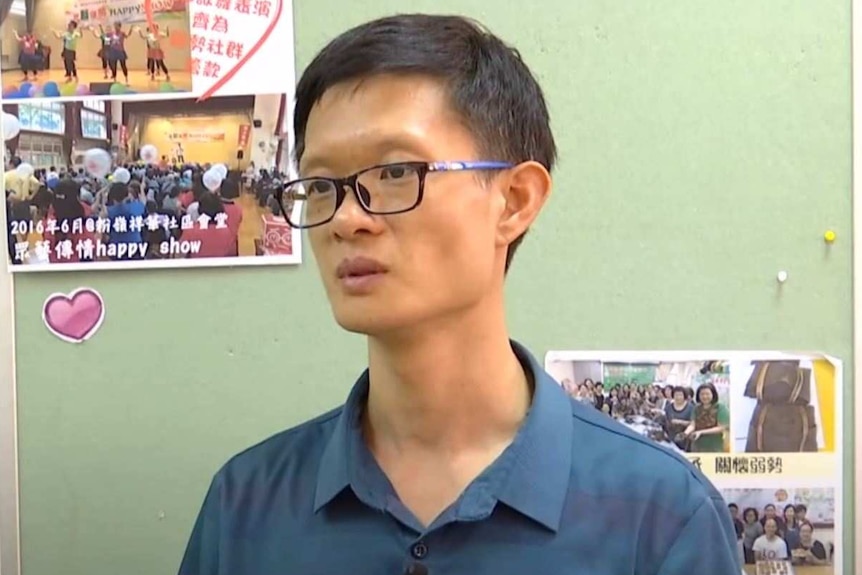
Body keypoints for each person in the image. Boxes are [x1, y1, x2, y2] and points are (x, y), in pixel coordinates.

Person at [178, 14, 740, 575]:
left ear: (515, 200)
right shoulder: (246, 505)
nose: (347, 219)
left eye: (396, 172)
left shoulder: (660, 515)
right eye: (321, 185)